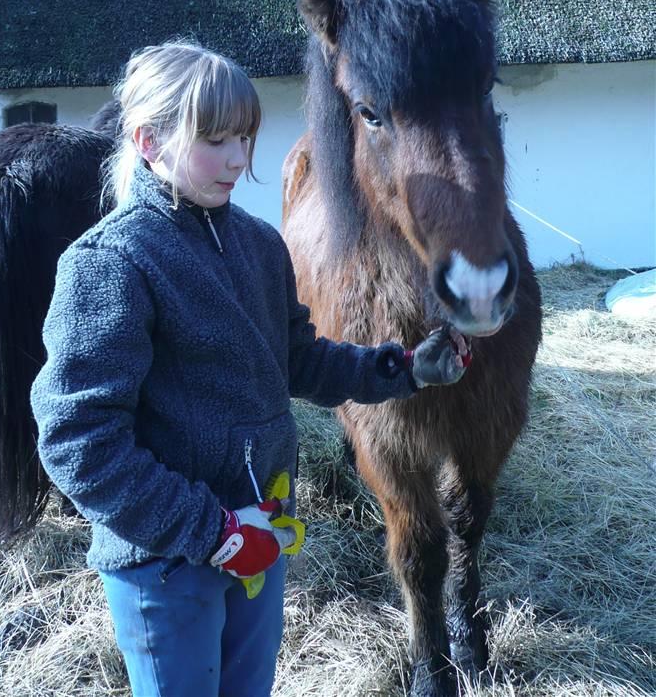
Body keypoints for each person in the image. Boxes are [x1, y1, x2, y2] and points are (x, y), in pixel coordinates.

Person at [30, 41, 470, 697]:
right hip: (166, 567)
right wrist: (214, 533)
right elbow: (78, 446)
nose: (239, 159)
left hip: (259, 538)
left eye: (244, 136)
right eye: (215, 139)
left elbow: (298, 361)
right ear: (147, 139)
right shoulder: (110, 265)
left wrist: (404, 370)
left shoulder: (260, 244)